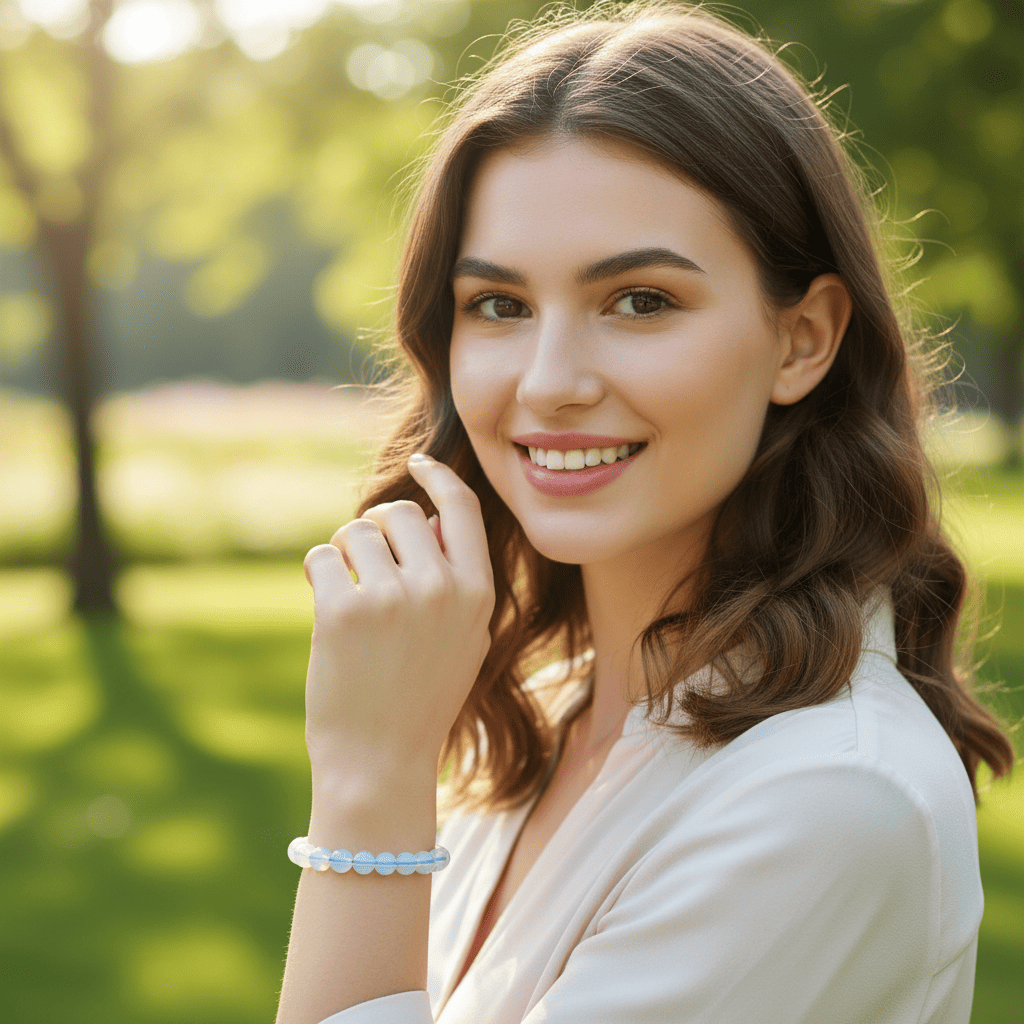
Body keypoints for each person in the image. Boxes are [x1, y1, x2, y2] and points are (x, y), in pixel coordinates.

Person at [274, 2, 1017, 1022]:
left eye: (640, 301)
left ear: (803, 339)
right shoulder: (538, 716)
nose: (549, 382)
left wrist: (369, 787)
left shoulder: (824, 798)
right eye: (499, 304)